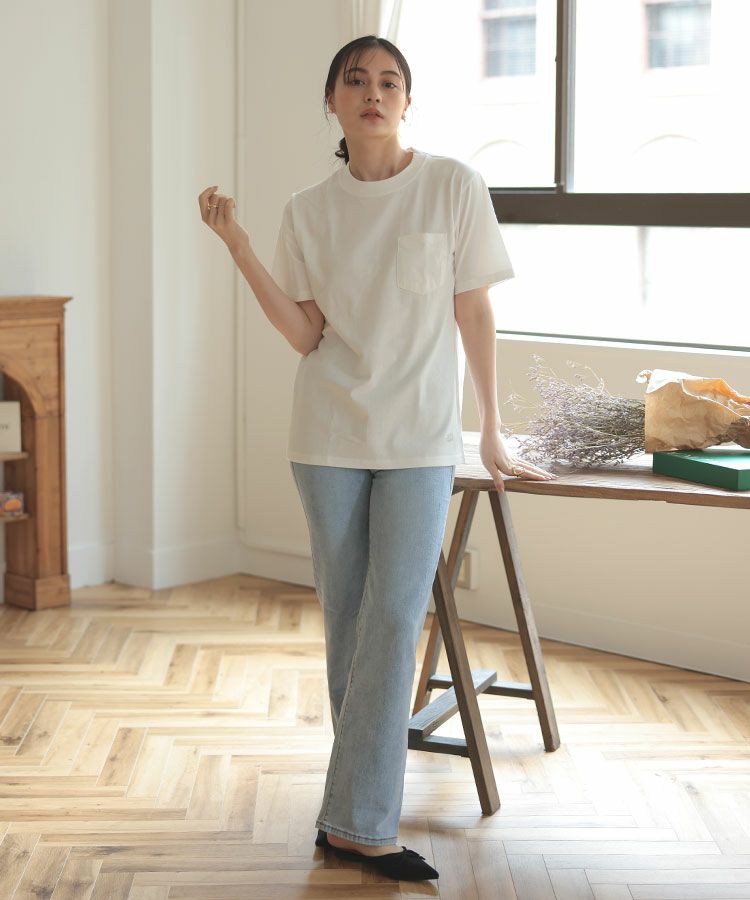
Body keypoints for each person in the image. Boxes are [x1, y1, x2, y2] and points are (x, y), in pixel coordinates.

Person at [199, 33, 556, 883]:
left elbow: (474, 313)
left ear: (408, 101)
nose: (373, 92)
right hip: (326, 439)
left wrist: (492, 427)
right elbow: (305, 334)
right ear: (332, 101)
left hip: (421, 443)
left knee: (394, 618)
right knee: (350, 626)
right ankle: (357, 822)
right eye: (355, 80)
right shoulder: (308, 210)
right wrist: (238, 245)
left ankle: (353, 821)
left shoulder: (452, 185)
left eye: (390, 81)